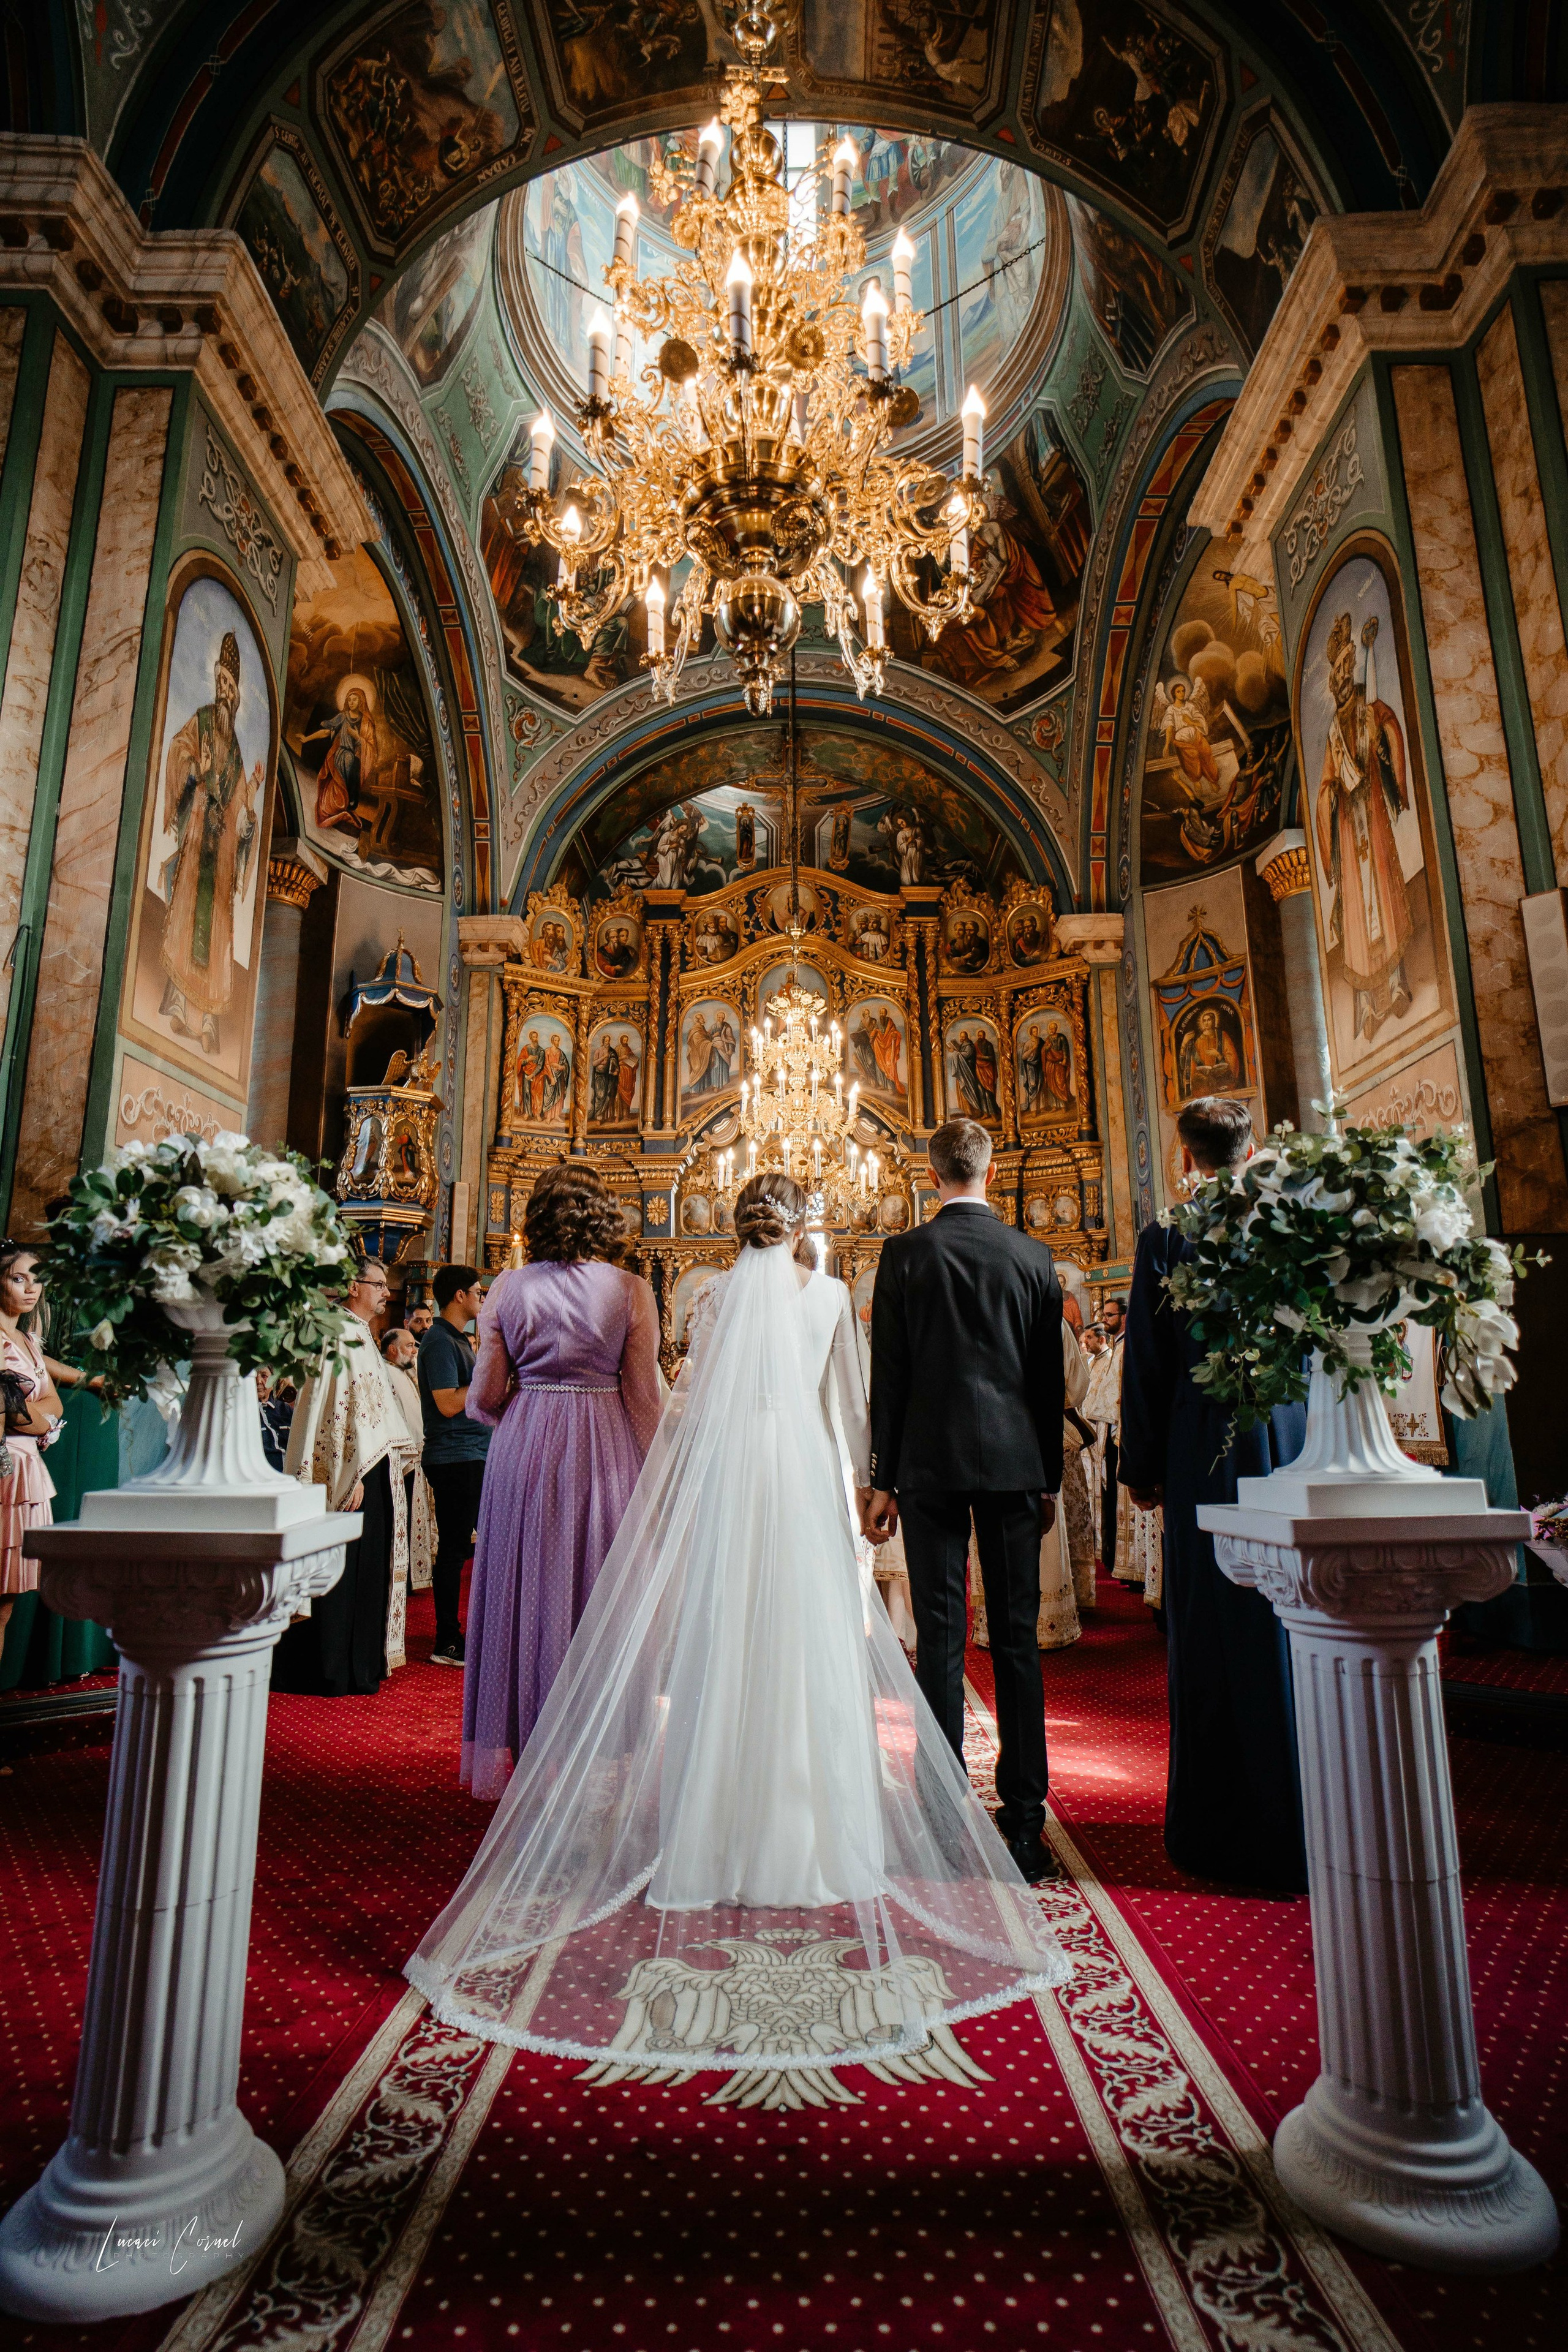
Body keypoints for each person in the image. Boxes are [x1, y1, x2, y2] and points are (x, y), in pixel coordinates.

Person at [406, 1171, 1068, 2078]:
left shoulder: (710, 1297)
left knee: (724, 1648)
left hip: (731, 1481)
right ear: (803, 1225)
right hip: (803, 1476)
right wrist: (871, 1482)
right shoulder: (832, 1294)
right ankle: (814, 1834)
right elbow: (847, 1405)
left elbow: (690, 1399)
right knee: (807, 1650)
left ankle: (710, 1835)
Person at [865, 1117, 1066, 1884]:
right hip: (1016, 1465)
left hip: (929, 1466)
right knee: (1016, 1643)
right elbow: (1045, 1384)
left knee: (941, 1644)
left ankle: (944, 1827)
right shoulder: (1033, 1255)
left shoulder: (906, 1253)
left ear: (932, 1172)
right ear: (990, 1167)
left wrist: (881, 1478)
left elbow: (890, 1377)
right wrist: (1044, 1475)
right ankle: (1023, 1828)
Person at [1118, 1095, 1308, 1894]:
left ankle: (1217, 1828)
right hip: (1294, 1440)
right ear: (1253, 1148)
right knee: (1299, 1622)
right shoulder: (1297, 1228)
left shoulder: (1170, 1236)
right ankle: (1304, 1821)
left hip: (1206, 1450)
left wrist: (1143, 1468)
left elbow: (1149, 1364)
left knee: (1211, 1631)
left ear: (1187, 1159)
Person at [459, 1170, 660, 1796]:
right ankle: (601, 1743)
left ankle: (528, 1742)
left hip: (525, 1447)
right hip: (604, 1444)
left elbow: (486, 1393)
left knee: (526, 1587)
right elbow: (645, 1397)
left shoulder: (508, 1287)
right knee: (601, 1586)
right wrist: (663, 1472)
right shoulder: (630, 1290)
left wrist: (512, 1408)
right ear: (603, 1217)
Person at [274, 1251, 410, 1697]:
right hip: (352, 1476)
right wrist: (339, 1476)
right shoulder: (336, 1333)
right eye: (378, 1284)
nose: (386, 1293)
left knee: (366, 1575)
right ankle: (330, 1669)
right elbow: (327, 1410)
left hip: (373, 1469)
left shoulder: (363, 1335)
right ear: (354, 1287)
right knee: (342, 1573)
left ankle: (358, 1665)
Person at [417, 1265, 491, 1670]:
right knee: (454, 1550)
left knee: (463, 1547)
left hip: (470, 1454)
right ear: (459, 1295)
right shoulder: (440, 1341)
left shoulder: (457, 1339)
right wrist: (488, 1377)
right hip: (455, 1456)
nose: (482, 1298)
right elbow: (447, 1403)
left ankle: (461, 1632)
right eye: (478, 1292)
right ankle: (446, 1639)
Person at [0, 1243, 64, 1672]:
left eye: (36, 1278)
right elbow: (14, 1415)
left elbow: (52, 1403)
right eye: (18, 1278)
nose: (31, 1288)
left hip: (25, 1470)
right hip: (5, 1471)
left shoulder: (25, 1338)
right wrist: (36, 1418)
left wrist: (34, 1416)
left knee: (3, 1605)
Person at [380, 1327, 435, 1608]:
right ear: (392, 1349)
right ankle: (403, 1575)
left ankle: (414, 1575)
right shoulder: (386, 1373)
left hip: (416, 1457)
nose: (415, 1350)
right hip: (403, 1461)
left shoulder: (402, 1373)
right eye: (409, 1345)